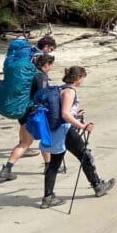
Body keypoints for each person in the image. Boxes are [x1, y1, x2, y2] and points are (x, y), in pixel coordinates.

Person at [41, 66, 93, 209]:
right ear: (78, 78)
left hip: (60, 129)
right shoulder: (70, 92)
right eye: (82, 77)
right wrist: (83, 126)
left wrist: (77, 115)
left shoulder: (61, 88)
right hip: (65, 129)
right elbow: (65, 114)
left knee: (55, 163)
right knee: (84, 156)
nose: (83, 80)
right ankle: (97, 185)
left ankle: (48, 196)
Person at [0, 52, 54, 182]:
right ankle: (8, 169)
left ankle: (47, 166)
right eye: (51, 65)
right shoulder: (41, 77)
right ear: (46, 64)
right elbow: (42, 95)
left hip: (21, 110)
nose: (51, 68)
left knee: (27, 141)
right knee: (35, 140)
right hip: (33, 112)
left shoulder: (29, 74)